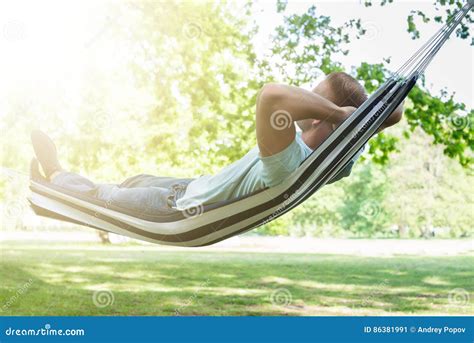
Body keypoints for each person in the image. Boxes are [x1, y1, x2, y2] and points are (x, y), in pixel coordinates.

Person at [31, 72, 403, 215]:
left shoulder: (293, 158)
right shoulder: (337, 161)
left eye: (313, 94)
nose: (304, 96)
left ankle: (55, 177)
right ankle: (51, 205)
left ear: (323, 115)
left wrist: (341, 115)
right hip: (190, 185)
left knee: (102, 196)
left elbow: (272, 95)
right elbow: (396, 112)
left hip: (177, 207)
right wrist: (352, 115)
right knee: (133, 179)